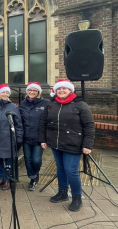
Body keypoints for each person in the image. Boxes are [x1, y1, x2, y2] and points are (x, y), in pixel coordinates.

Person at [39, 79, 95, 212]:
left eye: (64, 88)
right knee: (60, 169)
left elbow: (89, 126)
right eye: (59, 89)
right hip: (56, 143)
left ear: (70, 90)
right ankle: (62, 192)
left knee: (71, 171)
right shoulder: (51, 105)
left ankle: (77, 197)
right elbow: (43, 123)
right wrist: (43, 139)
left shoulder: (80, 105)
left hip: (73, 144)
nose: (61, 91)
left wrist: (87, 144)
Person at [0, 84, 23, 190]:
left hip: (8, 138)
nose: (5, 94)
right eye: (3, 92)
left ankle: (8, 179)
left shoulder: (13, 107)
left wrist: (19, 138)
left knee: (9, 161)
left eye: (7, 92)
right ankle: (1, 178)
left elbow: (18, 124)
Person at [19, 82, 50, 191]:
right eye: (30, 90)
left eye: (34, 90)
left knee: (36, 160)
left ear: (38, 92)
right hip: (26, 137)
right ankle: (32, 179)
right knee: (28, 160)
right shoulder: (22, 104)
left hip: (39, 138)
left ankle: (35, 173)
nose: (32, 92)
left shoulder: (45, 103)